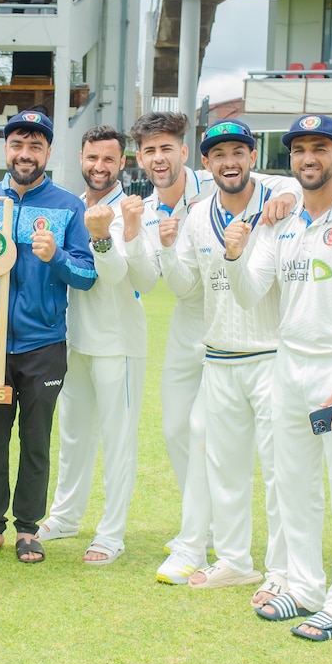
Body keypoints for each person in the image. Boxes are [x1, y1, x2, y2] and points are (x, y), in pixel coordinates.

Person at [225, 114, 332, 643]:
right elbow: (250, 294)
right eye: (299, 150)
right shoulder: (280, 221)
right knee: (294, 487)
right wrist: (234, 254)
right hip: (288, 368)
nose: (309, 158)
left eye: (320, 148)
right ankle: (305, 587)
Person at [155, 120, 297, 596]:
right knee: (225, 467)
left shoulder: (277, 205)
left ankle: (282, 567)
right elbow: (185, 288)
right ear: (207, 163)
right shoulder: (197, 216)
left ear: (253, 157)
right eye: (219, 155)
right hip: (219, 356)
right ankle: (235, 559)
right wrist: (168, 248)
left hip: (271, 354)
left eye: (238, 152)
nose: (229, 162)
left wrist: (289, 194)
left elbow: (300, 185)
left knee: (280, 468)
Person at [0, 110, 97, 564]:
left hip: (44, 346)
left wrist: (56, 255)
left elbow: (85, 275)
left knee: (36, 440)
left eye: (35, 146)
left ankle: (27, 529)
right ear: (6, 149)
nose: (25, 154)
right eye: (18, 144)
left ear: (48, 153)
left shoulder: (67, 206)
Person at [36, 125, 159, 565]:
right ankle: (66, 516)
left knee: (117, 439)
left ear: (122, 162)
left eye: (108, 159)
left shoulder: (136, 209)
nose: (99, 167)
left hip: (119, 342)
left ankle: (111, 533)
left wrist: (109, 235)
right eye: (92, 158)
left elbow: (128, 276)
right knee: (73, 435)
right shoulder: (71, 207)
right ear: (81, 159)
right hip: (74, 338)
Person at [128, 112, 215, 509]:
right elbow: (148, 280)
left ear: (183, 151)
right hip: (186, 319)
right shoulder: (144, 210)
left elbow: (287, 185)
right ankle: (200, 523)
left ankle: (220, 529)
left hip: (236, 316)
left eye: (166, 148)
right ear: (140, 159)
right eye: (150, 151)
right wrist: (128, 238)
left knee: (221, 431)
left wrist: (285, 196)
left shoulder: (218, 182)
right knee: (176, 427)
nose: (159, 158)